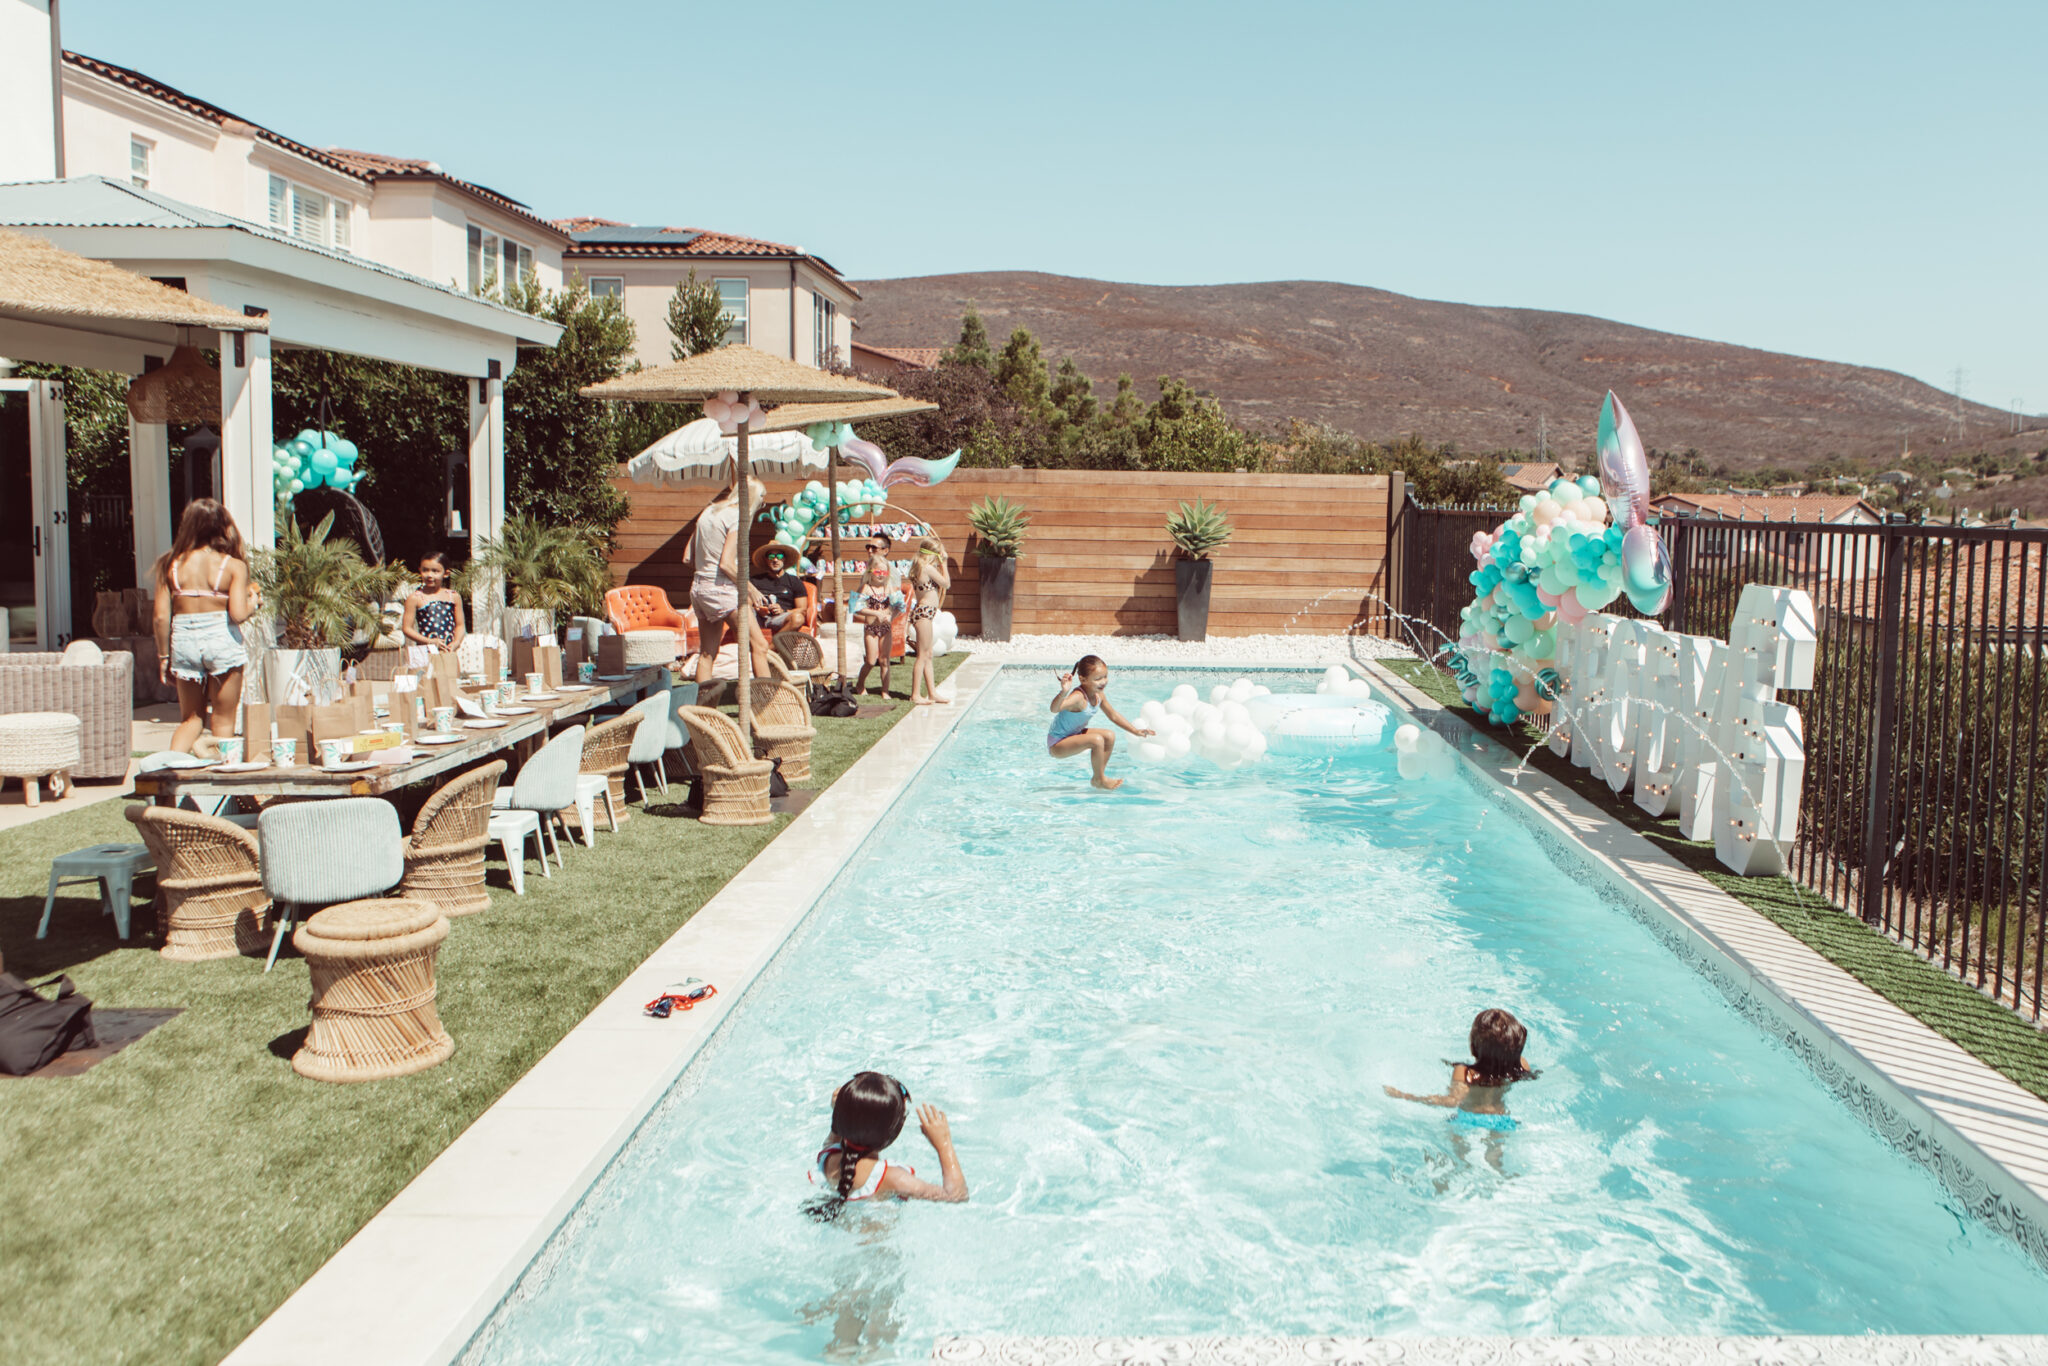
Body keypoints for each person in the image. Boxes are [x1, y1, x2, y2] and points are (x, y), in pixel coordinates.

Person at [151, 498, 257, 754]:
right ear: (222, 526)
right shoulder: (232, 566)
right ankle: (224, 786)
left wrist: (164, 656)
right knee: (223, 720)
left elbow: (161, 617)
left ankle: (171, 774)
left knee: (191, 719)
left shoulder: (171, 564)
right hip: (221, 639)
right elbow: (238, 614)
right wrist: (254, 601)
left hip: (184, 640)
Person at [808, 1071, 968, 1212]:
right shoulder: (891, 1178)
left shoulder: (829, 1157)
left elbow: (834, 1136)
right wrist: (943, 1144)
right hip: (876, 1246)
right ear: (893, 1132)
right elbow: (956, 1195)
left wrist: (841, 1111)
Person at [682, 477, 772, 688]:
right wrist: (751, 589)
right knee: (759, 646)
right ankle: (767, 706)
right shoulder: (737, 518)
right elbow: (726, 564)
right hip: (722, 590)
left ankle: (703, 711)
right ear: (751, 498)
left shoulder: (708, 512)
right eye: (762, 499)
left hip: (699, 588)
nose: (761, 505)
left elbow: (687, 558)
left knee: (707, 653)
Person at [1383, 1008, 1536, 1130]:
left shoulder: (1464, 1072)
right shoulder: (1521, 1066)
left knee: (1459, 1160)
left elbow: (1452, 1101)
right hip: (1501, 1119)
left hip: (1467, 1119)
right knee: (1495, 1160)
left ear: (1474, 1044)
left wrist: (1405, 1096)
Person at [1047, 655, 1154, 791]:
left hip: (1074, 734)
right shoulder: (1078, 697)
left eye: (1105, 676)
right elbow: (1054, 709)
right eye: (1098, 679)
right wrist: (1064, 691)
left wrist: (1136, 731)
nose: (1103, 682)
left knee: (1109, 735)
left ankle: (1099, 777)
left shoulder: (1099, 695)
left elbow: (1113, 715)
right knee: (1097, 740)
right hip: (1057, 744)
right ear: (1082, 679)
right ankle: (1099, 779)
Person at [400, 551, 466, 669]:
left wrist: (456, 643)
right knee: (427, 684)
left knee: (449, 681)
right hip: (425, 651)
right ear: (420, 570)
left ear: (446, 573)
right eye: (425, 570)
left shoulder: (453, 596)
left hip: (448, 651)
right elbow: (406, 628)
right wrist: (429, 641)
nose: (430, 575)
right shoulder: (415, 598)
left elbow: (460, 625)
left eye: (435, 571)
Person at [905, 536, 951, 706]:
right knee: (922, 655)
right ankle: (915, 694)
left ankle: (932, 692)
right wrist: (944, 564)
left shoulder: (920, 566)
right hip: (924, 613)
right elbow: (946, 583)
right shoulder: (928, 568)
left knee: (928, 654)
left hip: (924, 613)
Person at [848, 561, 904, 697]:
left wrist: (891, 616)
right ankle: (860, 683)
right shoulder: (866, 588)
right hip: (871, 628)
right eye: (877, 572)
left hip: (885, 628)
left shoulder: (889, 588)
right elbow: (855, 607)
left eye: (884, 572)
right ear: (870, 572)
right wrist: (875, 613)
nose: (881, 575)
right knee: (871, 661)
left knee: (885, 660)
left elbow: (900, 606)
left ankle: (885, 690)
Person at [749, 541, 807, 636]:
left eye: (779, 556)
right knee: (743, 612)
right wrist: (757, 609)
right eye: (771, 557)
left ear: (784, 559)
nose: (775, 560)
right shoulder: (755, 581)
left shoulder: (794, 581)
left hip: (781, 618)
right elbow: (746, 604)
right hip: (757, 618)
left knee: (798, 618)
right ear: (766, 560)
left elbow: (803, 609)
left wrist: (783, 611)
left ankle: (770, 648)